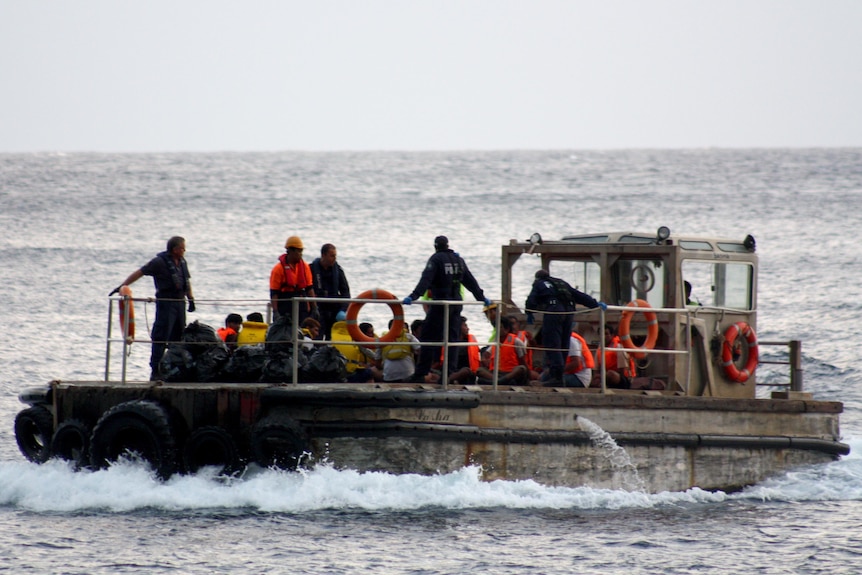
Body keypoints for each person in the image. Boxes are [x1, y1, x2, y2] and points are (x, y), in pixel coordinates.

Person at [402, 235, 492, 383]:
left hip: (440, 304)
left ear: (436, 246)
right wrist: (482, 298)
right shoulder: (458, 260)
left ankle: (421, 373)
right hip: (456, 305)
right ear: (447, 245)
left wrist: (413, 296)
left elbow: (426, 280)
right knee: (452, 339)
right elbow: (470, 281)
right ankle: (449, 372)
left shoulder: (436, 260)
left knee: (428, 337)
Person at [109, 236, 194, 380]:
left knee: (178, 335)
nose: (184, 250)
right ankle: (156, 369)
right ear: (174, 249)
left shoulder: (182, 262)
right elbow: (140, 272)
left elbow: (186, 281)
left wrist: (191, 299)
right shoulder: (159, 262)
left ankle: (173, 368)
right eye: (182, 248)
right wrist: (123, 286)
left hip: (180, 303)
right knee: (161, 335)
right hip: (166, 303)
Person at [525, 269, 606, 386]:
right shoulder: (561, 283)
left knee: (552, 343)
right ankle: (559, 377)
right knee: (564, 344)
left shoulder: (539, 284)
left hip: (554, 312)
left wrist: (529, 313)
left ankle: (556, 377)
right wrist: (595, 304)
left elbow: (531, 301)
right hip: (569, 313)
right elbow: (579, 295)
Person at [270, 235, 318, 325]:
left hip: (301, 304)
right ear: (290, 251)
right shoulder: (278, 269)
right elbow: (274, 293)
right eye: (299, 251)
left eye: (301, 251)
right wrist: (275, 312)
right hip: (284, 304)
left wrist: (314, 308)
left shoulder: (305, 267)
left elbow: (310, 288)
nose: (301, 254)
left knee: (302, 331)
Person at [310, 243, 351, 339]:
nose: (334, 258)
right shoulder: (311, 269)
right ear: (323, 255)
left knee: (332, 340)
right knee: (317, 339)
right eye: (332, 256)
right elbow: (306, 289)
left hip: (334, 311)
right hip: (318, 310)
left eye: (335, 256)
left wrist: (342, 310)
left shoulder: (338, 271)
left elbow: (346, 293)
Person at [477, 316, 529, 385]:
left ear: (507, 329)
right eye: (496, 328)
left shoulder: (516, 341)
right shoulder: (495, 342)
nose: (497, 330)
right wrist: (484, 358)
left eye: (500, 327)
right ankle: (499, 381)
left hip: (510, 373)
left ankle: (499, 381)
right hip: (495, 373)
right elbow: (486, 354)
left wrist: (528, 376)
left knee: (521, 368)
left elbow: (522, 361)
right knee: (479, 370)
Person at [447, 317, 481, 385]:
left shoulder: (469, 341)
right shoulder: (449, 341)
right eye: (465, 326)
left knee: (466, 370)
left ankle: (449, 379)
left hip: (469, 372)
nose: (468, 328)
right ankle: (451, 379)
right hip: (452, 371)